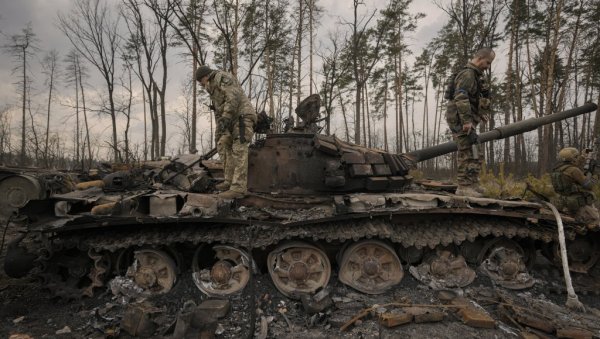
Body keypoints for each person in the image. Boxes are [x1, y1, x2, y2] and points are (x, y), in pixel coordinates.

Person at [196, 65, 257, 199]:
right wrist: (220, 128)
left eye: (200, 81)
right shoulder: (211, 87)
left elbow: (232, 97)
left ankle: (238, 188)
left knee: (239, 148)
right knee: (222, 144)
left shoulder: (222, 78)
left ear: (205, 76)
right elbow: (219, 108)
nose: (201, 85)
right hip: (230, 120)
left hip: (242, 117)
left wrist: (226, 117)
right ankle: (229, 181)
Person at [445, 47, 495, 198]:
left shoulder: (476, 75)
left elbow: (477, 97)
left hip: (468, 118)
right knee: (466, 150)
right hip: (460, 119)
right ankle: (464, 186)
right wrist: (466, 121)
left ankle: (472, 183)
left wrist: (481, 114)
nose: (488, 66)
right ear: (480, 59)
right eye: (487, 62)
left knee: (475, 150)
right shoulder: (467, 74)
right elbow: (461, 97)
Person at [551, 147, 600, 230]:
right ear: (572, 158)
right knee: (594, 221)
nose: (577, 158)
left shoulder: (558, 169)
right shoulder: (574, 170)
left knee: (574, 224)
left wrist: (583, 157)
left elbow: (573, 166)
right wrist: (596, 175)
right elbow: (588, 185)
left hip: (565, 202)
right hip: (579, 204)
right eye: (576, 157)